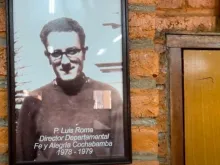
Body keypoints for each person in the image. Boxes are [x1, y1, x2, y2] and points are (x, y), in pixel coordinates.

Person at [16, 17, 124, 161]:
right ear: (48, 57)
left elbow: (119, 154)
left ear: (84, 52)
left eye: (72, 51)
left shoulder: (109, 95)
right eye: (56, 54)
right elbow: (23, 158)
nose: (65, 62)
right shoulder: (33, 101)